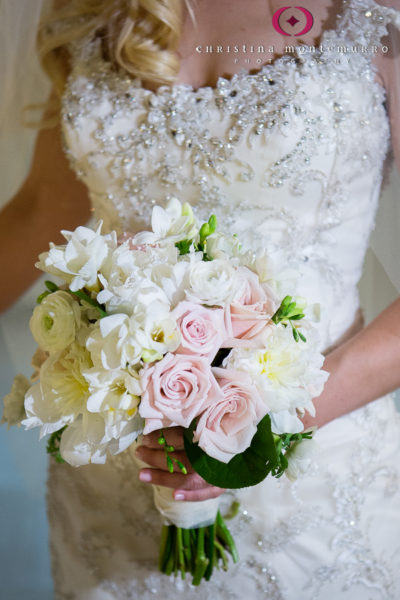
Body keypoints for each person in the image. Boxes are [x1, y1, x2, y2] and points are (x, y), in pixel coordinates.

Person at [1, 0, 400, 597]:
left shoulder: (373, 12)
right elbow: (42, 208)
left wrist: (250, 426)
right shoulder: (93, 10)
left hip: (314, 476)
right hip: (117, 484)